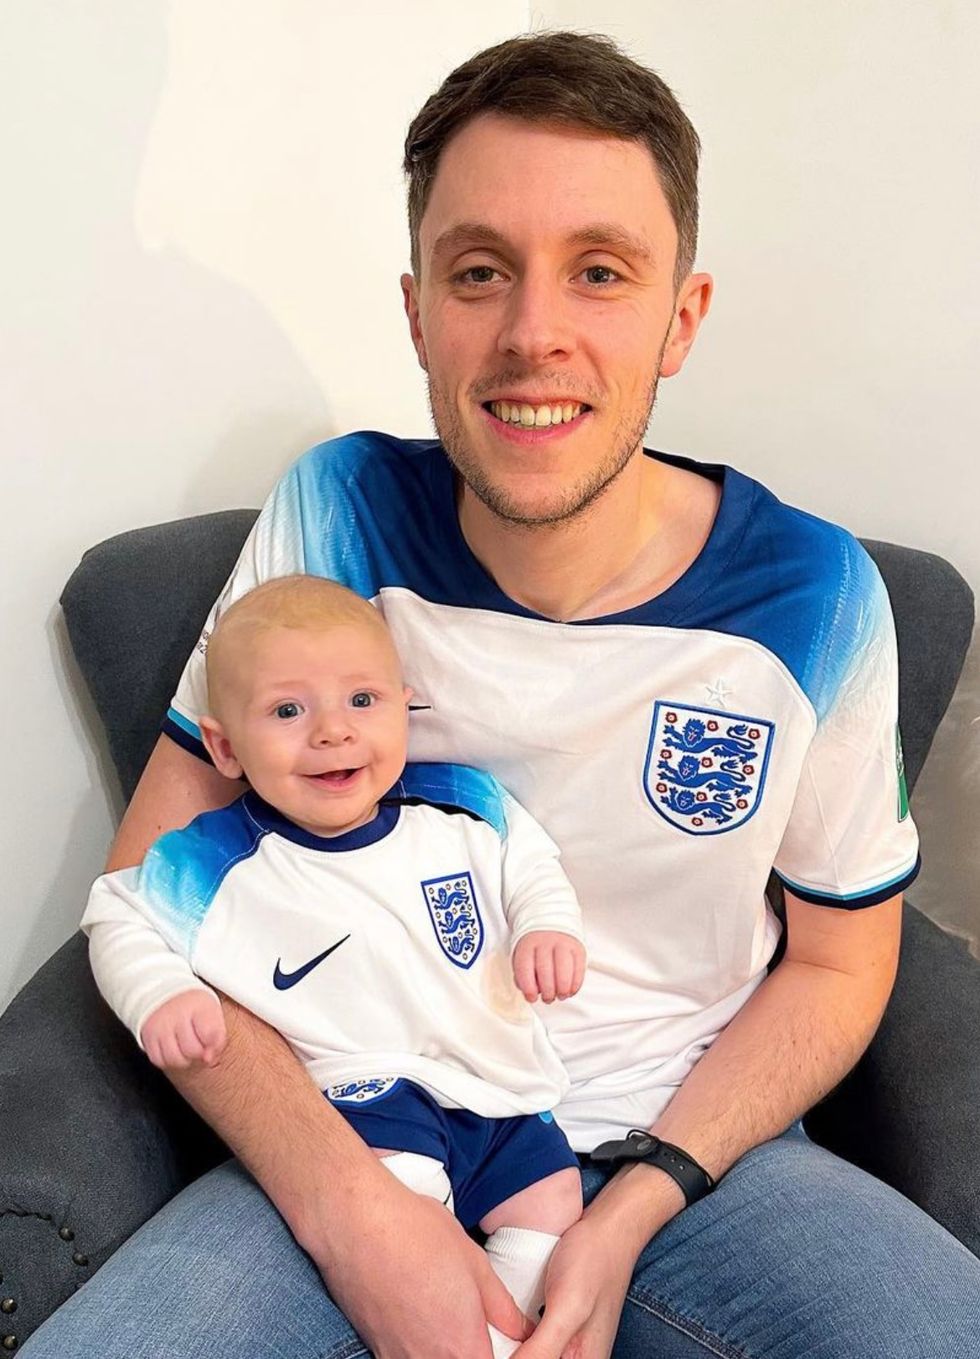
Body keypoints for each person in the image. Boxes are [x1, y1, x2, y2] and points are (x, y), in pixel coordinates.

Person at [23, 29, 980, 1359]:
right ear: (417, 307)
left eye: (600, 272)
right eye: (481, 272)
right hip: (359, 1120)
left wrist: (643, 1193)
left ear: (681, 316)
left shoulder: (818, 599)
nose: (536, 335)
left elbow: (838, 957)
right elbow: (153, 884)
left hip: (700, 1160)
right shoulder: (338, 509)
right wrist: (350, 1206)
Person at [81, 574, 587, 1358]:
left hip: (498, 1085)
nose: (333, 733)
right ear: (223, 746)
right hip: (366, 1093)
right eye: (288, 711)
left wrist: (545, 926)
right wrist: (161, 991)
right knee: (409, 1214)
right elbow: (114, 913)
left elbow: (530, 860)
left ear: (405, 704)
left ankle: (512, 1335)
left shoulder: (458, 803)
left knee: (553, 1200)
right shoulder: (217, 857)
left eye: (363, 701)